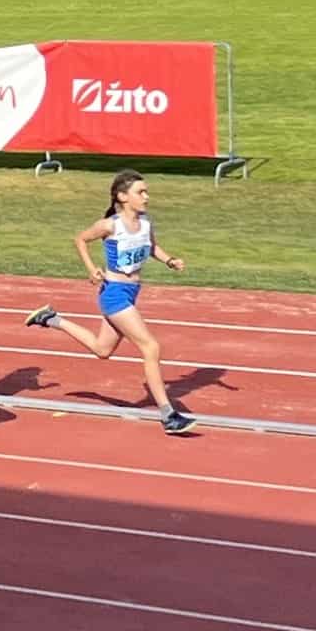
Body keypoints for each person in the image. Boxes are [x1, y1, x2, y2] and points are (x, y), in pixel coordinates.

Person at [25, 169, 195, 434]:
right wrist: (92, 269)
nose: (147, 197)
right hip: (114, 293)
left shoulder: (146, 223)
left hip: (131, 292)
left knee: (102, 350)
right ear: (122, 196)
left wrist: (170, 260)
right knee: (150, 347)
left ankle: (51, 319)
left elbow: (151, 247)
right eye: (141, 192)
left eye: (146, 191)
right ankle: (168, 415)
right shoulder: (110, 225)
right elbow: (80, 239)